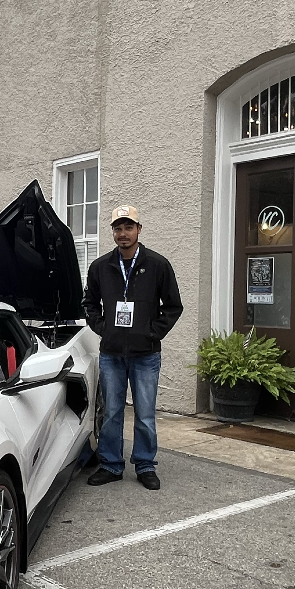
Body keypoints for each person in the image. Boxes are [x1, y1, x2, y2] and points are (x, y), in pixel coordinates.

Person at [82, 205, 183, 490]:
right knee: (111, 412)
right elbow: (89, 303)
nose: (123, 233)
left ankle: (145, 465)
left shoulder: (158, 265)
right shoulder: (100, 267)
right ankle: (111, 465)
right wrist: (104, 328)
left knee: (145, 414)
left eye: (129, 227)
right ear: (113, 232)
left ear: (139, 229)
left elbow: (173, 306)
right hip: (112, 353)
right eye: (118, 228)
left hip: (146, 354)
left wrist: (152, 332)